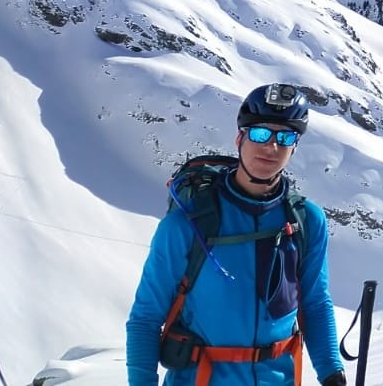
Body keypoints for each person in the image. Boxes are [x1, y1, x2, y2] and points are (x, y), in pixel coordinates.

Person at [126, 83, 346, 386]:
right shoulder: (188, 223)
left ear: (295, 147)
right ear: (239, 138)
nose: (271, 147)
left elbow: (315, 304)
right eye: (259, 134)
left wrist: (332, 373)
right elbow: (146, 319)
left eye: (285, 137)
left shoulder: (307, 220)